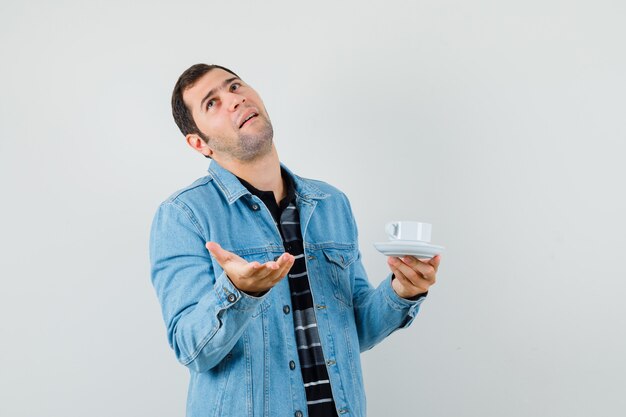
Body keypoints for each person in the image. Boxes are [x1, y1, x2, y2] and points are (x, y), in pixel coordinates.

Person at [149, 64, 441, 417]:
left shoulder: (331, 203)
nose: (234, 100)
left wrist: (402, 293)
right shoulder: (183, 215)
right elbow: (191, 349)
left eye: (235, 86)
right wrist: (239, 293)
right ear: (199, 143)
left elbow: (355, 329)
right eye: (212, 103)